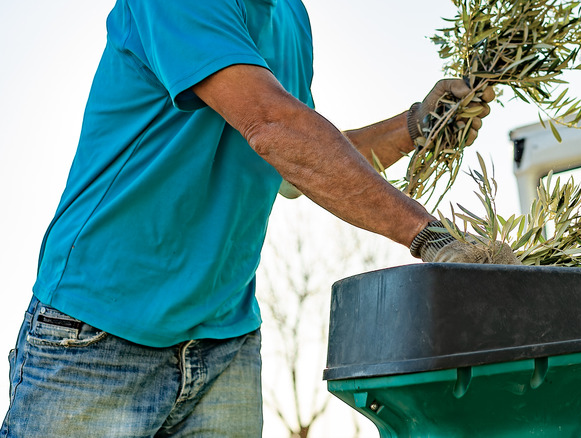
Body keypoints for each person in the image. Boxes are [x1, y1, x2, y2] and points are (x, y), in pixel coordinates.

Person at [1, 0, 496, 436]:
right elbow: (272, 124)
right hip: (99, 331)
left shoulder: (290, 17)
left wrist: (413, 127)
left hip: (224, 343)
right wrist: (430, 236)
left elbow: (295, 166)